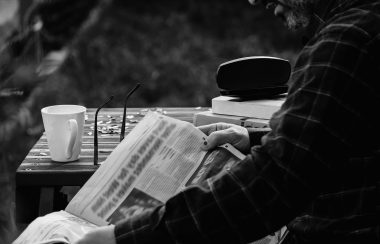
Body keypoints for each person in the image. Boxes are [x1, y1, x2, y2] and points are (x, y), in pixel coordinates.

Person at [74, 0, 380, 243]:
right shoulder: (366, 24)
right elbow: (342, 137)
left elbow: (271, 186)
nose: (254, 0)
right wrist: (256, 139)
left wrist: (123, 238)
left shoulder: (344, 45)